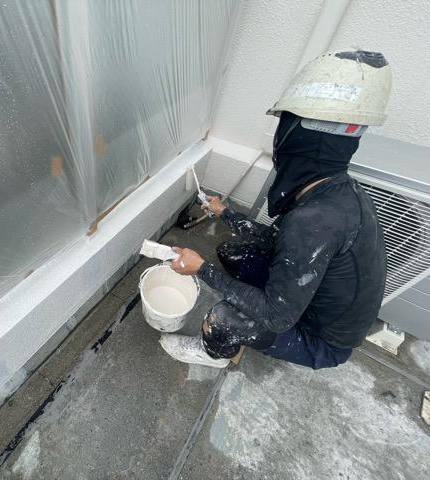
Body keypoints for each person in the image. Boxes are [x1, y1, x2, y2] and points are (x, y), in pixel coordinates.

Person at [159, 49, 393, 370]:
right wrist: (225, 213)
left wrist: (201, 269)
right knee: (231, 253)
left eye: (283, 126)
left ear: (297, 141)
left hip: (318, 338)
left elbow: (277, 316)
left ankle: (213, 355)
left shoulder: (315, 221)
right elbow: (278, 240)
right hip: (309, 296)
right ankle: (256, 302)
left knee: (224, 318)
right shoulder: (334, 190)